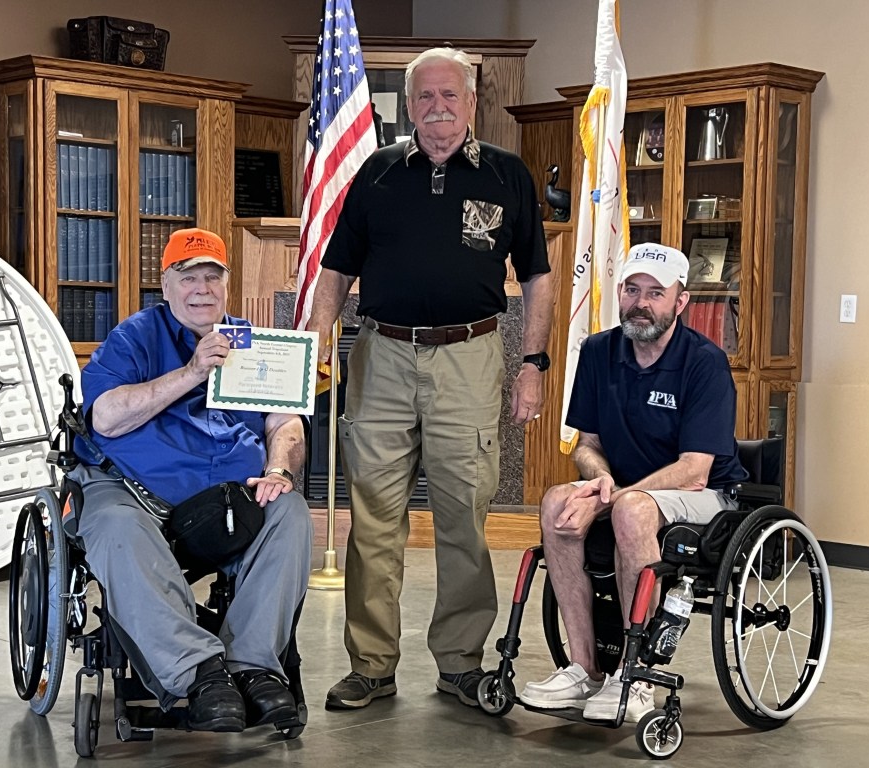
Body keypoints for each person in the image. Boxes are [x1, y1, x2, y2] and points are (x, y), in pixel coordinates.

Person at [306, 47, 555, 710]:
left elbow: (537, 276)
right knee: (373, 518)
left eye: (451, 95)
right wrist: (317, 344)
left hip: (470, 357)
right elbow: (336, 270)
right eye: (425, 96)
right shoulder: (377, 173)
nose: (438, 107)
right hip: (381, 358)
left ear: (472, 103)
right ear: (409, 107)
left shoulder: (506, 174)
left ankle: (461, 663)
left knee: (464, 518)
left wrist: (532, 364)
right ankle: (371, 665)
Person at [68, 227, 313, 732]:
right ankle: (198, 673)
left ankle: (253, 665)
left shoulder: (255, 343)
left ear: (226, 283)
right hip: (134, 491)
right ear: (165, 285)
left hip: (228, 498)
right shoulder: (133, 338)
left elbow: (285, 421)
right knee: (114, 526)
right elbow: (106, 418)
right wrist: (192, 373)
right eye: (188, 277)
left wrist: (278, 468)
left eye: (212, 277)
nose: (201, 289)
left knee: (288, 510)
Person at [520, 243, 748, 722]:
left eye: (655, 293)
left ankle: (635, 674)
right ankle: (584, 669)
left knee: (632, 509)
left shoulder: (704, 362)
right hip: (625, 488)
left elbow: (695, 469)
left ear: (680, 302)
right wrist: (600, 479)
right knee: (557, 502)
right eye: (632, 290)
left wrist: (612, 499)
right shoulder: (598, 351)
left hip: (706, 496)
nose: (640, 303)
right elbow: (586, 445)